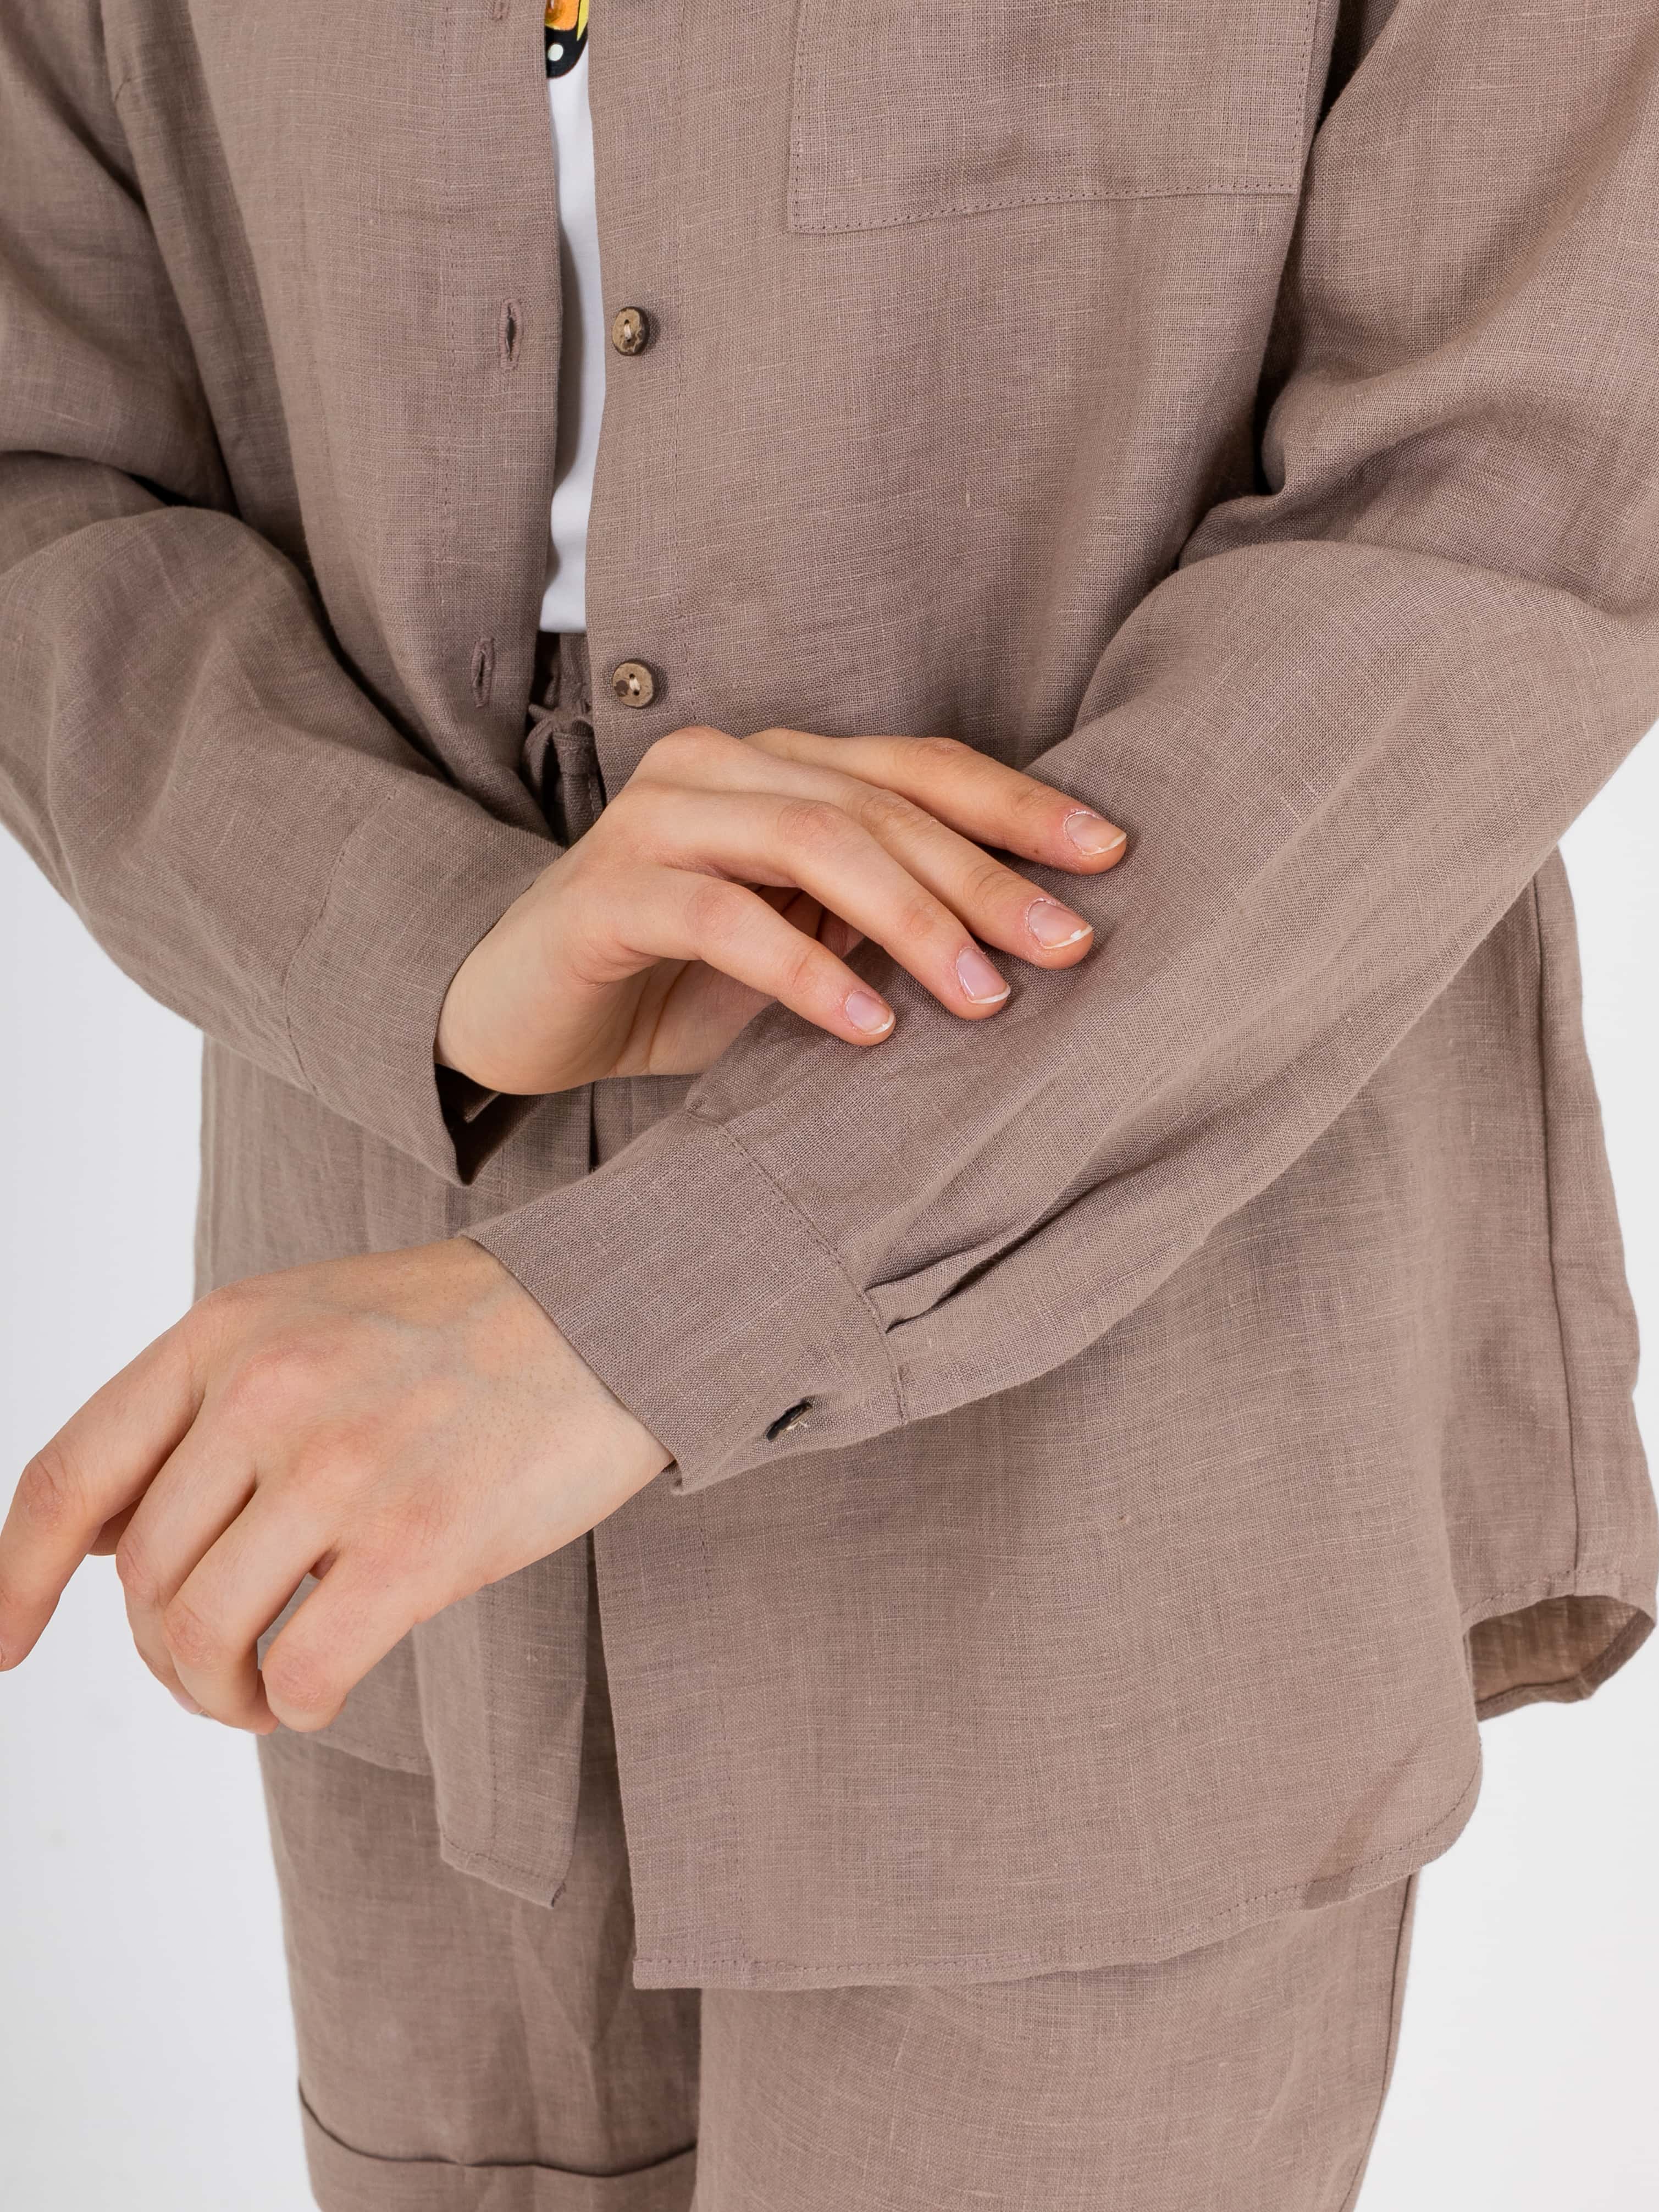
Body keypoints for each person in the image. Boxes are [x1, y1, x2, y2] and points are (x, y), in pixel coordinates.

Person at [1, 0, 1655, 2204]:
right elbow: (44, 461)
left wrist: (650, 1300)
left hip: (1112, 1490)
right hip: (391, 1458)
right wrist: (425, 939)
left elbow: (1505, 509)